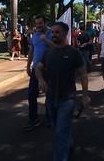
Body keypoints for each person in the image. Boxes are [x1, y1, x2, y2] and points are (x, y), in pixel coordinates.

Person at [36, 22, 90, 161]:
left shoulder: (73, 52)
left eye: (57, 32)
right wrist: (41, 80)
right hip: (50, 99)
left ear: (65, 34)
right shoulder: (49, 52)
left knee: (60, 132)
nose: (54, 35)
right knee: (59, 129)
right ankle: (69, 145)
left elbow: (83, 74)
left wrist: (85, 95)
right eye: (52, 32)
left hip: (67, 99)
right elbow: (38, 68)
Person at [24, 14, 54, 131]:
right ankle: (33, 119)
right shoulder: (35, 36)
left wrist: (46, 40)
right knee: (31, 94)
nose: (38, 26)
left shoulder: (52, 34)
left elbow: (57, 48)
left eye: (40, 23)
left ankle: (50, 117)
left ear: (45, 23)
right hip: (36, 70)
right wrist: (28, 66)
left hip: (49, 69)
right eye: (36, 24)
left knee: (49, 95)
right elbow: (31, 51)